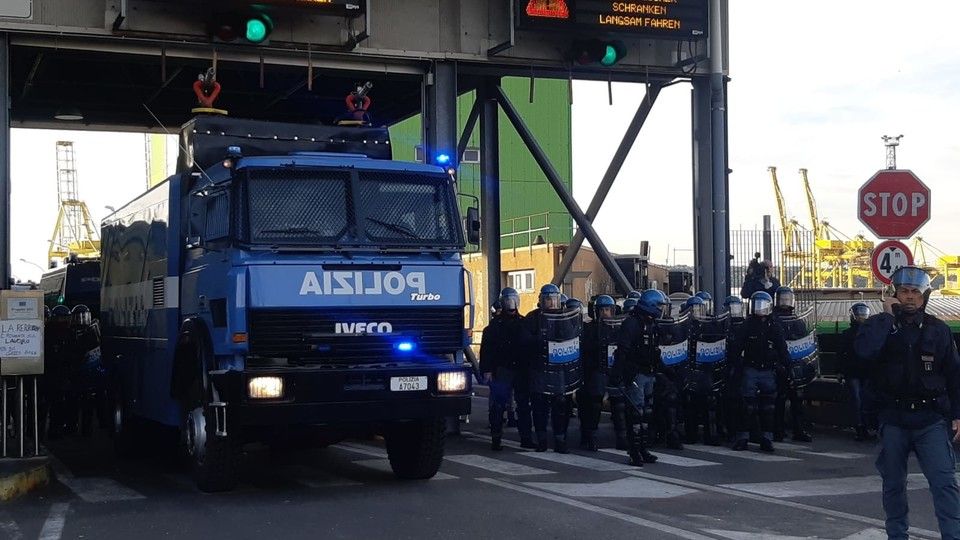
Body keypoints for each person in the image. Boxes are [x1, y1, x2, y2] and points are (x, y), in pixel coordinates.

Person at [854, 266, 960, 539]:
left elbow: (954, 374)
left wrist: (958, 414)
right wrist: (889, 318)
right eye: (904, 291)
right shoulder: (880, 326)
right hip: (893, 418)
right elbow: (864, 354)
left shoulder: (938, 330)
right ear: (894, 294)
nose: (910, 297)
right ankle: (897, 536)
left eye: (915, 292)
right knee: (893, 486)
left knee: (944, 483)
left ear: (924, 296)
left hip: (930, 418)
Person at [610, 289, 669, 466]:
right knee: (636, 414)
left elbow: (655, 351)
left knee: (647, 413)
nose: (661, 309)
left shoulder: (651, 324)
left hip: (649, 372)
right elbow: (623, 350)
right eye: (658, 306)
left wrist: (665, 370)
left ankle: (643, 448)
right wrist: (617, 373)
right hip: (636, 373)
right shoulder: (632, 323)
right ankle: (634, 452)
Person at [729, 291, 789, 452]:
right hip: (751, 368)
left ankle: (766, 438)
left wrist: (786, 366)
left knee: (768, 407)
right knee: (747, 406)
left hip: (768, 369)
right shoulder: (747, 325)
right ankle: (743, 437)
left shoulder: (774, 326)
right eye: (756, 305)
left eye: (762, 305)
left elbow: (782, 348)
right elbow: (736, 347)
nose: (759, 309)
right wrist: (735, 364)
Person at [525, 284, 577, 453]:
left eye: (554, 299)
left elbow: (571, 338)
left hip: (559, 369)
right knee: (539, 407)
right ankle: (541, 440)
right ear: (541, 300)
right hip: (539, 368)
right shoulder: (532, 318)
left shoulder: (564, 317)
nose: (551, 303)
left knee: (560, 407)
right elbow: (523, 340)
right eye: (548, 299)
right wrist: (541, 342)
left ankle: (560, 440)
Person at [480, 287, 533, 450]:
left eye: (514, 300)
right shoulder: (494, 327)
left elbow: (531, 346)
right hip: (502, 369)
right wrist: (487, 370)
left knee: (524, 405)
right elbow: (486, 350)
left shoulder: (525, 323)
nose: (512, 304)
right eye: (508, 300)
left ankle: (526, 438)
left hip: (521, 369)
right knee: (498, 405)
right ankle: (496, 438)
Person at [771, 286, 813, 443]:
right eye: (782, 299)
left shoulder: (797, 321)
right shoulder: (773, 320)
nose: (785, 302)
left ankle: (798, 429)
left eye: (787, 299)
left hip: (795, 364)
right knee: (780, 399)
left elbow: (803, 339)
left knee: (797, 399)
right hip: (779, 365)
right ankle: (778, 430)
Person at [578, 295, 617, 451]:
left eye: (608, 310)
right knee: (594, 403)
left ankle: (623, 436)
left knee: (620, 404)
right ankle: (590, 434)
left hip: (614, 369)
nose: (605, 313)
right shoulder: (589, 328)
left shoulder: (618, 327)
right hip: (595, 370)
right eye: (602, 310)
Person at [840, 302, 875, 442]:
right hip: (859, 371)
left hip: (857, 371)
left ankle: (862, 426)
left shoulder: (848, 333)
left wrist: (839, 371)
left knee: (860, 399)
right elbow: (841, 353)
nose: (861, 317)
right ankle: (861, 426)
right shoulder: (869, 333)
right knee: (859, 399)